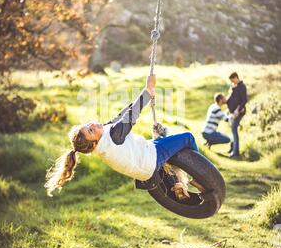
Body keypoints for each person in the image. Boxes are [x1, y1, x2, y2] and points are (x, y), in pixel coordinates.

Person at [45, 75, 199, 196]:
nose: (91, 125)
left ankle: (175, 183)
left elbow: (119, 117)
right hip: (149, 159)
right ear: (93, 144)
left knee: (162, 140)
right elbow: (131, 116)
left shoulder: (103, 142)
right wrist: (148, 90)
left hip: (144, 170)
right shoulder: (112, 137)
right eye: (90, 131)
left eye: (87, 126)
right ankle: (200, 177)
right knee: (187, 138)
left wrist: (145, 95)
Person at [227, 72, 247, 158]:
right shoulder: (235, 87)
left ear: (235, 78)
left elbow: (244, 100)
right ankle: (233, 149)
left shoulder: (242, 86)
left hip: (239, 112)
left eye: (233, 80)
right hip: (233, 112)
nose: (232, 82)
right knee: (233, 130)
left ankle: (235, 152)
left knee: (234, 130)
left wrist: (237, 110)